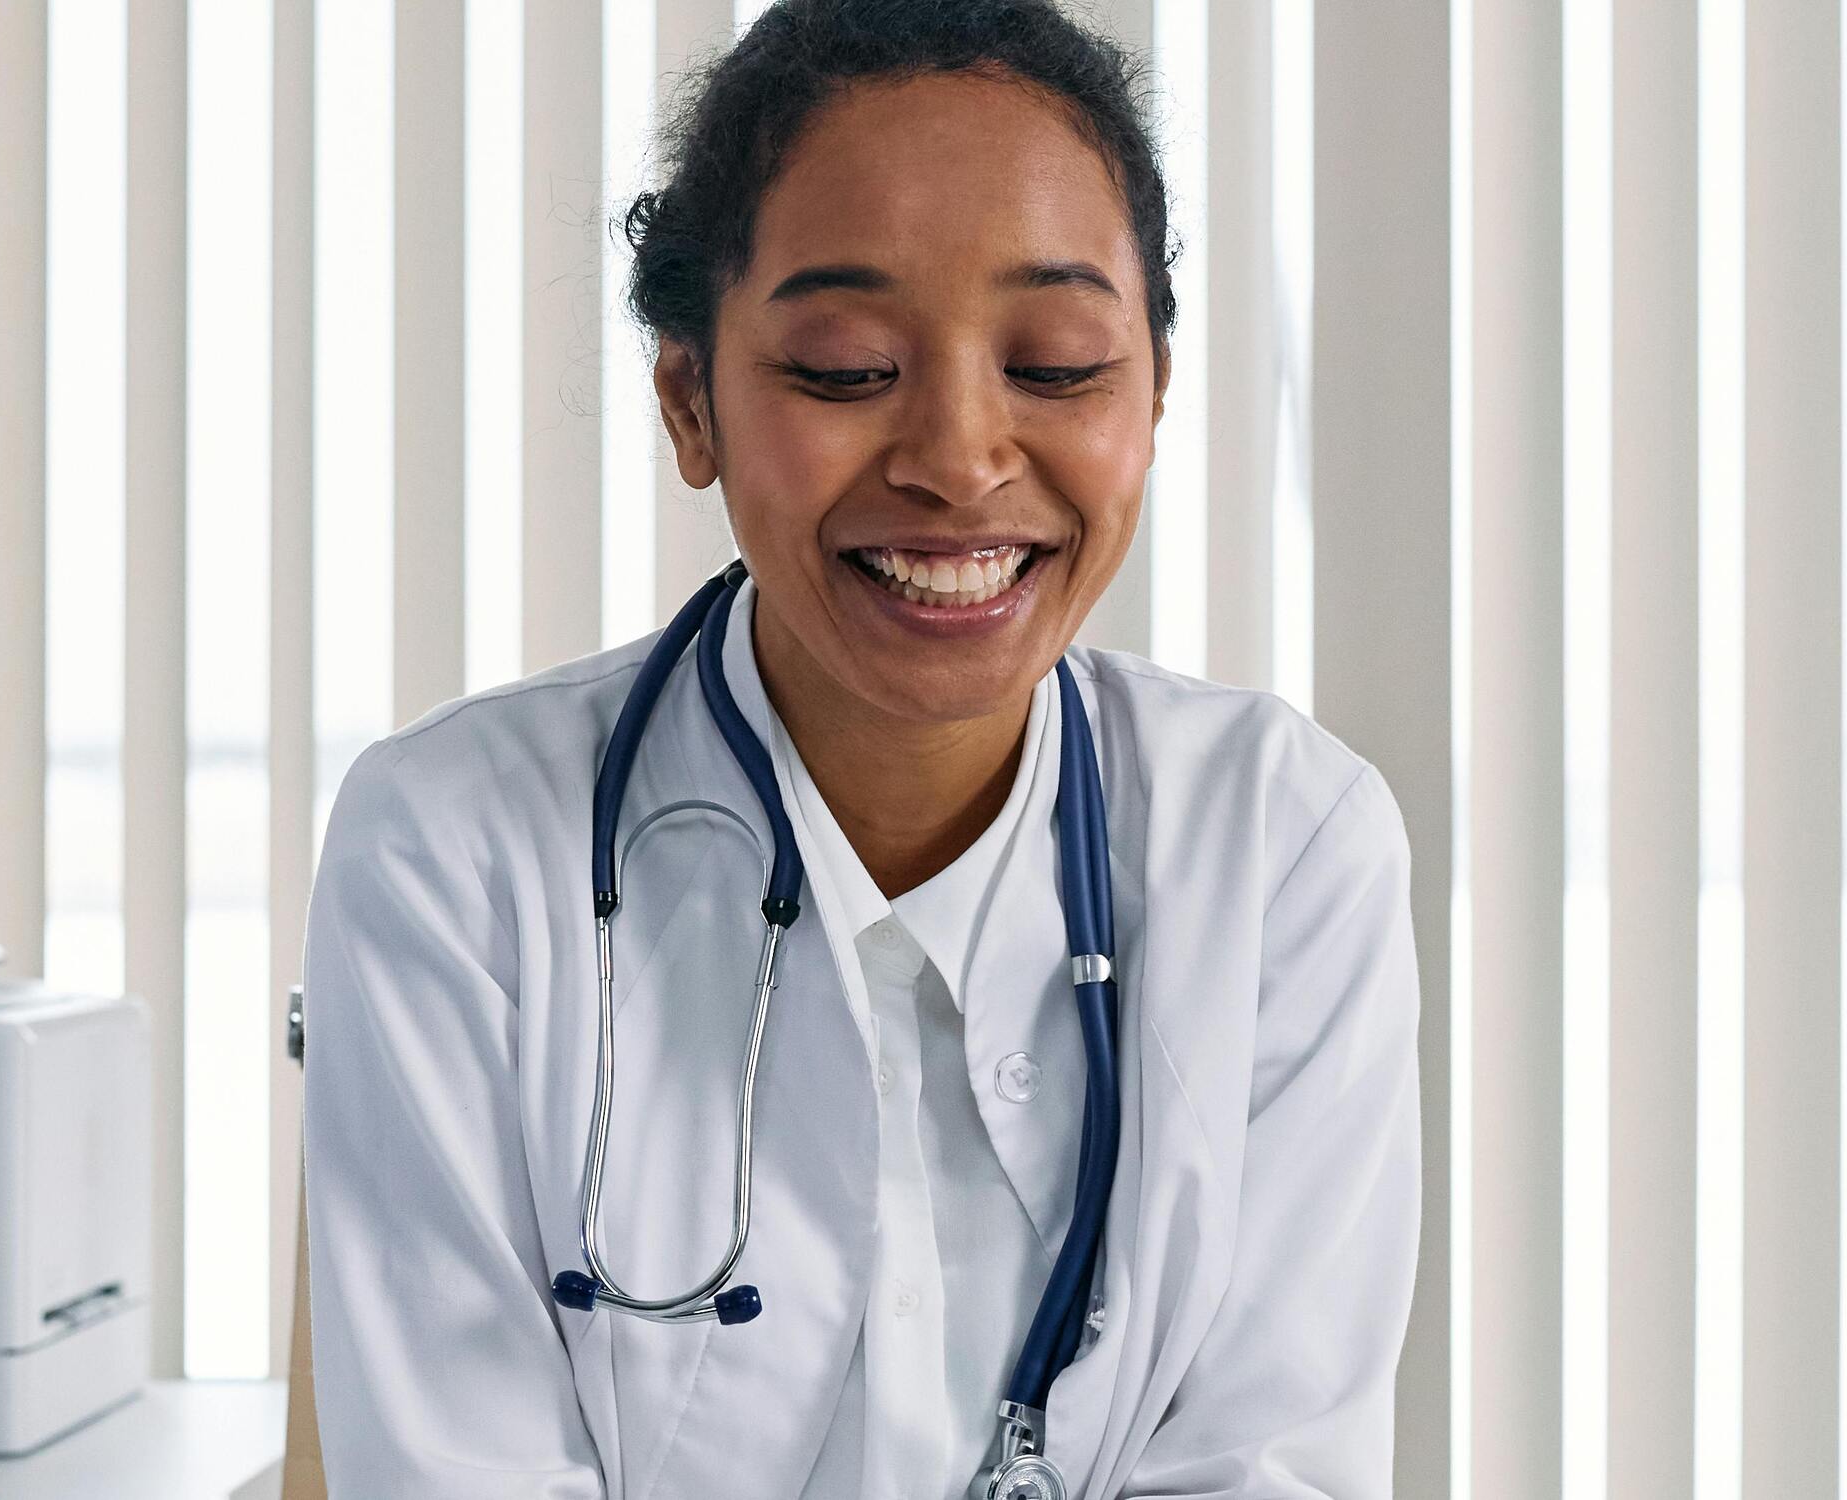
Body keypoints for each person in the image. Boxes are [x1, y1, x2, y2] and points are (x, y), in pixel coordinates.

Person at [298, 3, 1421, 1495]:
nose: (959, 459)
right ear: (690, 398)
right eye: (842, 367)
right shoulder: (452, 850)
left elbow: (1269, 1467)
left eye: (1059, 362)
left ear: (1154, 390)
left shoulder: (1283, 848)